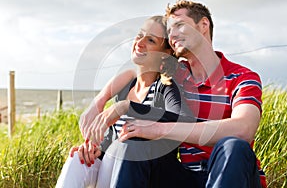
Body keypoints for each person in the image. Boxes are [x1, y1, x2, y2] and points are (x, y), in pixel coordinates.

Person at [85, 0, 267, 188]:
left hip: (234, 175)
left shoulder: (242, 77)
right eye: (169, 31)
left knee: (234, 146)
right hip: (186, 176)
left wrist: (158, 129)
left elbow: (243, 129)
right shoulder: (175, 76)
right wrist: (100, 102)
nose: (172, 35)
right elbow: (134, 72)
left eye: (179, 25)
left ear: (203, 25)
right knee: (135, 143)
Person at [56, 15, 195, 188]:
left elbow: (184, 121)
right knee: (78, 158)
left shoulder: (165, 86)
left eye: (151, 40)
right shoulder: (126, 86)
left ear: (165, 53)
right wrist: (94, 150)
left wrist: (129, 108)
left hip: (145, 174)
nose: (140, 42)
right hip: (111, 165)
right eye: (139, 35)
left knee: (120, 149)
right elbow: (111, 142)